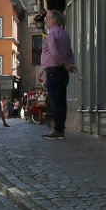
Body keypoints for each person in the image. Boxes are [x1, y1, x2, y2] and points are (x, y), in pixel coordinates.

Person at [39, 10, 76, 139]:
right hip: (62, 71)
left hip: (54, 70)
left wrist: (64, 64)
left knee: (55, 101)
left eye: (47, 18)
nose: (45, 20)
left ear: (54, 20)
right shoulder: (65, 34)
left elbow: (54, 53)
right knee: (61, 100)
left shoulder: (52, 34)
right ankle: (60, 128)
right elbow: (70, 52)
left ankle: (58, 129)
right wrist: (69, 64)